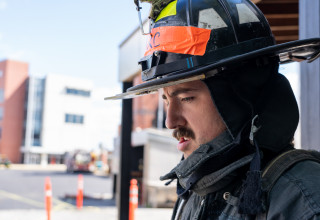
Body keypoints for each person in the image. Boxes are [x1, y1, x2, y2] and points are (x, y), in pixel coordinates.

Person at [105, 0, 320, 219]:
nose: (170, 121)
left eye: (187, 97)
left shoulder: (302, 200)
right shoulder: (198, 188)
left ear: (241, 97)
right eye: (167, 100)